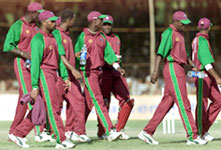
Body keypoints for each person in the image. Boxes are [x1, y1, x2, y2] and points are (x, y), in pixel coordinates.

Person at [7, 10, 75, 149]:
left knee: (43, 107)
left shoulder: (54, 38)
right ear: (44, 22)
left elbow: (60, 59)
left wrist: (65, 77)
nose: (55, 23)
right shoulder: (37, 40)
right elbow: (35, 65)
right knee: (53, 108)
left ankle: (18, 134)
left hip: (54, 74)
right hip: (44, 74)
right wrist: (34, 86)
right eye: (52, 21)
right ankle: (61, 140)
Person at [138, 11, 207, 145]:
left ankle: (147, 132)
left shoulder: (181, 34)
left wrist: (193, 66)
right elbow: (160, 53)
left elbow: (185, 55)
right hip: (172, 67)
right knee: (183, 102)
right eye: (183, 23)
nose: (184, 26)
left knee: (167, 103)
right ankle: (192, 136)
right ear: (175, 21)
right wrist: (155, 71)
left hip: (180, 68)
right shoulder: (168, 33)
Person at [3, 2, 50, 142]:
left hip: (34, 66)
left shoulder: (36, 28)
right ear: (31, 13)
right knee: (33, 96)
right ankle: (39, 131)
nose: (40, 16)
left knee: (22, 102)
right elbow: (7, 46)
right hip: (22, 64)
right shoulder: (18, 26)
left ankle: (13, 132)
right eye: (38, 13)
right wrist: (24, 54)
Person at [74, 11, 125, 142]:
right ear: (93, 21)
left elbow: (109, 54)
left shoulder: (101, 37)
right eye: (100, 20)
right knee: (99, 100)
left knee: (88, 103)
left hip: (100, 72)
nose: (102, 22)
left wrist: (117, 67)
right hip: (88, 72)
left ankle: (76, 131)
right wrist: (77, 56)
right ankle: (109, 130)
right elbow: (75, 53)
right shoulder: (83, 36)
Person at [53, 9, 90, 142]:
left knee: (78, 102)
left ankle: (76, 132)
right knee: (56, 106)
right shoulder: (56, 34)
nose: (74, 22)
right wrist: (73, 70)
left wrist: (75, 56)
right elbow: (61, 57)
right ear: (68, 20)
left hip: (70, 75)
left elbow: (66, 55)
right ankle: (52, 132)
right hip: (60, 75)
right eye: (73, 19)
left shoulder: (67, 35)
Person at [97, 15, 134, 140]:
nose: (107, 26)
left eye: (109, 24)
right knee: (104, 102)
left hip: (117, 72)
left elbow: (118, 56)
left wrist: (120, 67)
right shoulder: (99, 37)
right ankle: (102, 131)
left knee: (127, 100)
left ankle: (119, 129)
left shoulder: (117, 38)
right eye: (105, 24)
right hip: (104, 72)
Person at [191, 18, 221, 141]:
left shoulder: (198, 39)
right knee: (202, 104)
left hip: (206, 75)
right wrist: (217, 77)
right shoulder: (201, 40)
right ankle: (199, 132)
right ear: (209, 28)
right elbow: (207, 64)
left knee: (218, 100)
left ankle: (204, 130)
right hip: (203, 75)